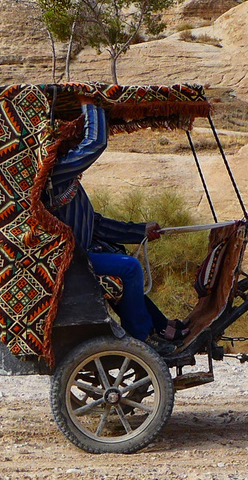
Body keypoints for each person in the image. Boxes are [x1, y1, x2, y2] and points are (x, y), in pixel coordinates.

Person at [46, 94, 184, 353]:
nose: (72, 141)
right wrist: (91, 104)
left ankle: (161, 325)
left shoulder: (64, 177)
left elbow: (94, 224)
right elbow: (94, 144)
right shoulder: (57, 173)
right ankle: (143, 339)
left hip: (80, 255)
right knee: (130, 268)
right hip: (72, 261)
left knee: (119, 258)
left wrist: (138, 231)